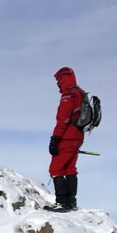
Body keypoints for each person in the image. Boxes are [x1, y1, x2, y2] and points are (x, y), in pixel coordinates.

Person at [47, 66, 85, 211]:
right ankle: (71, 202)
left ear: (63, 79)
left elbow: (62, 120)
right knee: (70, 169)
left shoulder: (69, 95)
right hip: (78, 137)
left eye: (58, 82)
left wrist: (55, 139)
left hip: (67, 137)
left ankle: (62, 202)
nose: (58, 86)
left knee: (55, 168)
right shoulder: (81, 93)